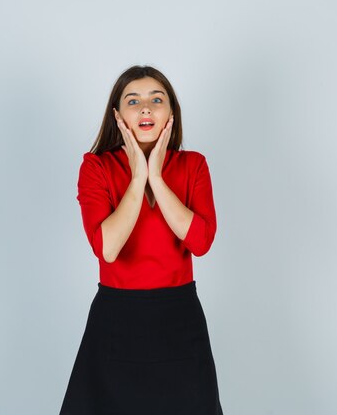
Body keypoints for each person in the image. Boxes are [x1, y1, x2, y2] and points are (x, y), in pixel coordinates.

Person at [59, 65, 224, 414]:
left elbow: (201, 242)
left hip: (179, 320)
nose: (146, 108)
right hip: (115, 322)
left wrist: (158, 180)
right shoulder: (96, 167)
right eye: (133, 101)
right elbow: (108, 248)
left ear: (171, 114)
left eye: (156, 99)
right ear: (118, 116)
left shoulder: (194, 165)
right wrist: (137, 179)